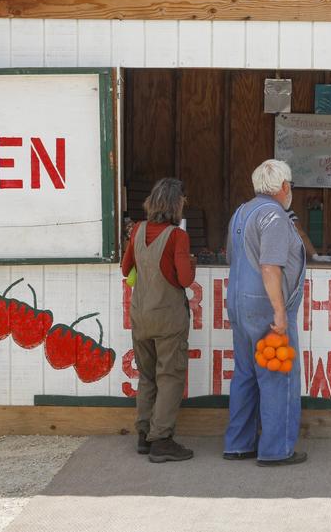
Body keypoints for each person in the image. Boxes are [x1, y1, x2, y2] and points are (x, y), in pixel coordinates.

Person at [223, 159, 308, 466]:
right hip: (265, 307)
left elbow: (232, 257)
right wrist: (280, 313)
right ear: (284, 187)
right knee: (277, 375)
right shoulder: (274, 215)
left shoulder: (241, 212)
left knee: (245, 373)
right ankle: (275, 450)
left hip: (238, 303)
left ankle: (238, 444)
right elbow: (270, 266)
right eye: (291, 186)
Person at [121, 178, 197, 463]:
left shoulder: (137, 230)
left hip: (140, 315)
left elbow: (125, 267)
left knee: (147, 376)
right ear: (176, 205)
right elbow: (184, 279)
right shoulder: (177, 236)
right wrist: (190, 262)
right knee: (171, 377)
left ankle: (143, 434)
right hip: (168, 318)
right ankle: (161, 439)